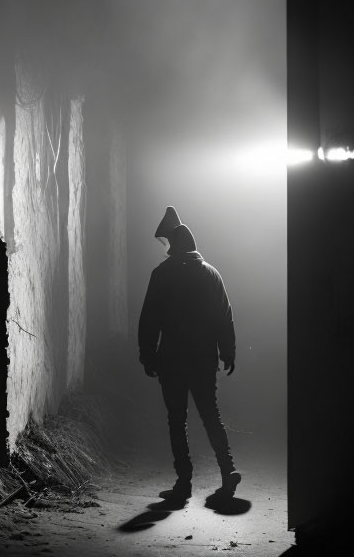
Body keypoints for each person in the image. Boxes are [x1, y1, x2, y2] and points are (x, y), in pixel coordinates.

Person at [138, 206, 241, 501]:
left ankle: (184, 482)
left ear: (175, 243)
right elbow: (224, 315)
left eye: (168, 242)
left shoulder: (162, 274)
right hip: (203, 358)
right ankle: (227, 470)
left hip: (171, 359)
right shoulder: (211, 274)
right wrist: (228, 351)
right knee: (211, 416)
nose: (166, 248)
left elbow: (150, 318)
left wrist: (148, 354)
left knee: (176, 420)